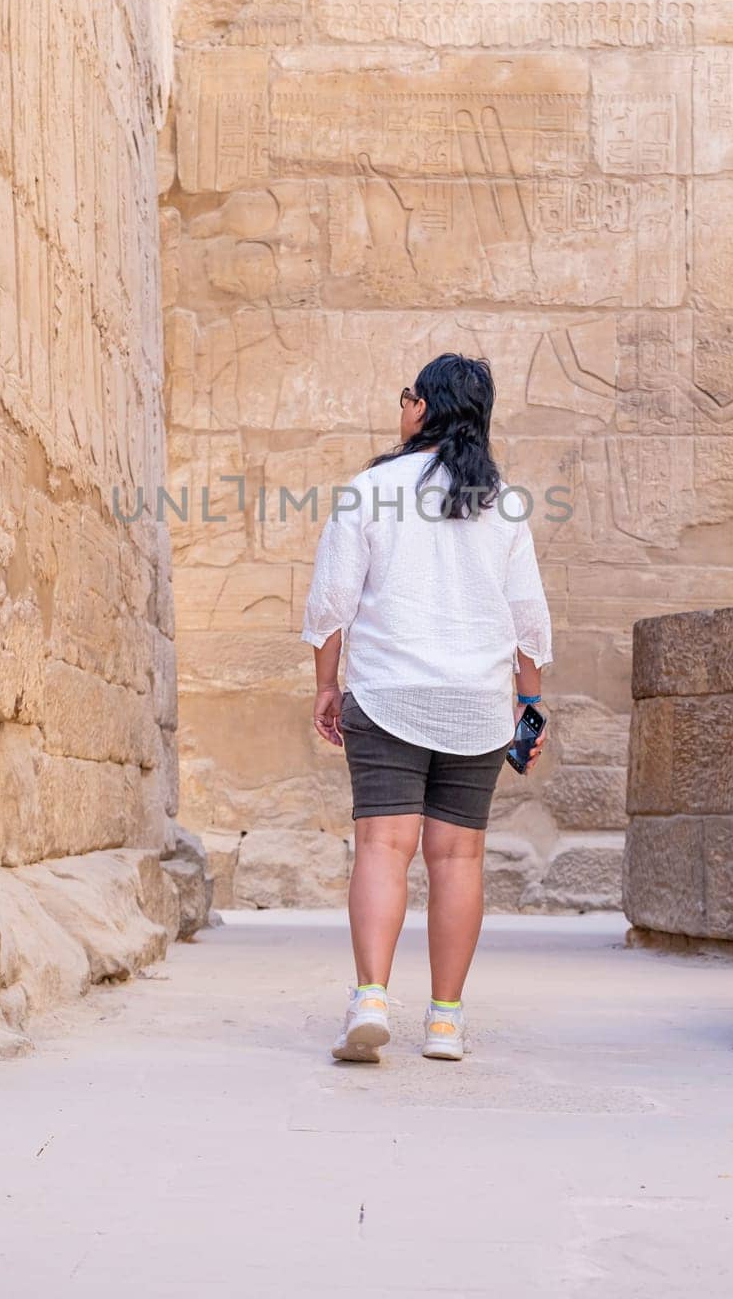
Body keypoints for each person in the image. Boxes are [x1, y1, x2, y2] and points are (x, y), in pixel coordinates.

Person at [300, 353, 552, 1063]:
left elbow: (332, 603)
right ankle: (445, 1021)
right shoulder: (503, 505)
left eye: (408, 395)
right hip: (476, 704)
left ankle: (370, 1000)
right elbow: (527, 620)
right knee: (458, 857)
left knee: (383, 847)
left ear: (423, 409)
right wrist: (527, 703)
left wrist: (326, 684)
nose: (402, 406)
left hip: (387, 695)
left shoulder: (372, 490)